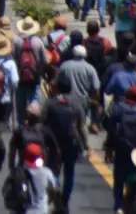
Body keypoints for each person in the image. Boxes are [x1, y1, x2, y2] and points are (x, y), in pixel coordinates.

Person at [41, 75, 89, 210]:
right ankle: (65, 199)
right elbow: (81, 126)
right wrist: (85, 145)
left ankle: (55, 191)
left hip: (53, 143)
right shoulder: (75, 102)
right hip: (71, 143)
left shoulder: (50, 102)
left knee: (52, 170)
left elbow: (42, 120)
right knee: (69, 172)